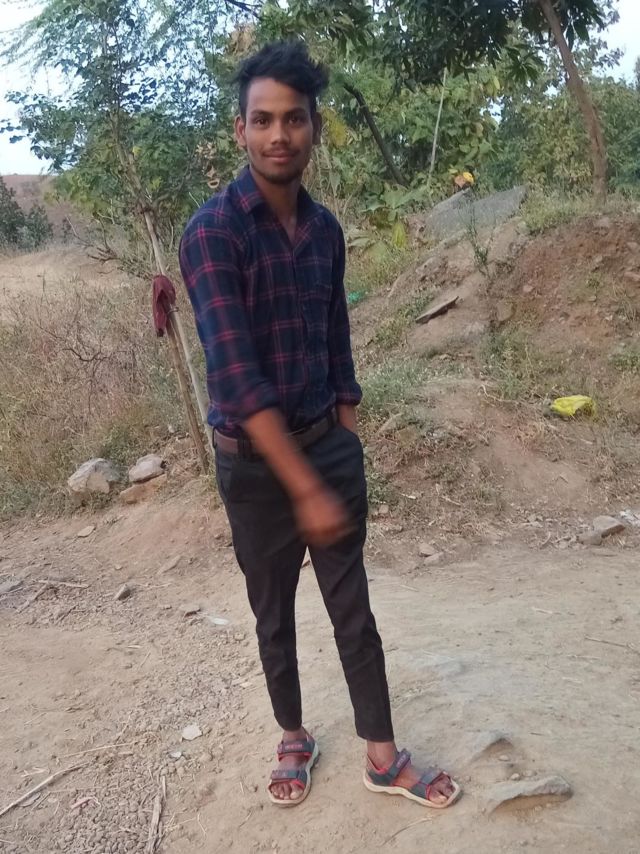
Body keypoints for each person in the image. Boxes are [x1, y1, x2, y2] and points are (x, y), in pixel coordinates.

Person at [179, 40, 461, 810]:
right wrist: (304, 486)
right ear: (240, 130)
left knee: (353, 611)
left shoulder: (327, 232)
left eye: (294, 119)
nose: (280, 135)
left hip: (327, 446)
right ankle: (293, 734)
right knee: (272, 613)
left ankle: (382, 756)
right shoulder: (213, 234)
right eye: (263, 120)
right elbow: (236, 375)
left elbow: (336, 336)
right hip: (253, 468)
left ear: (314, 128)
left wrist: (345, 433)